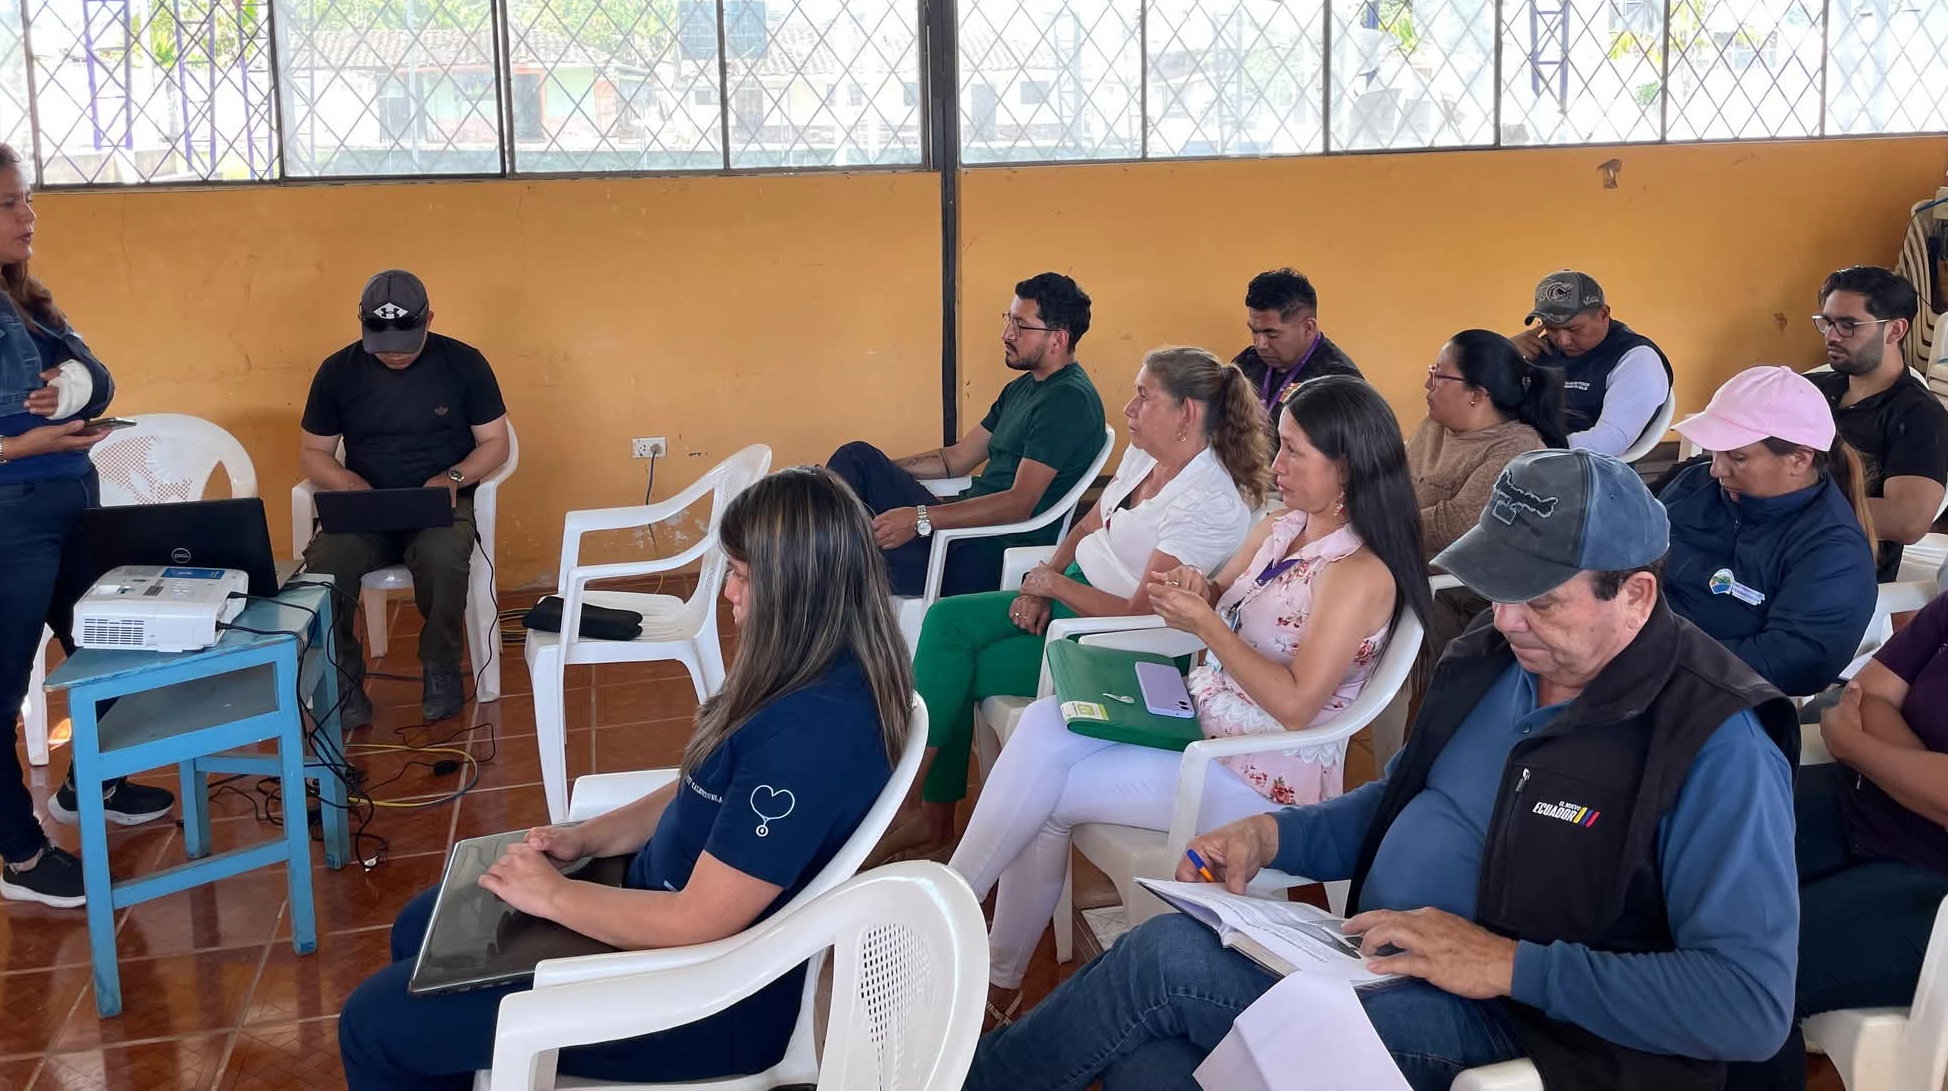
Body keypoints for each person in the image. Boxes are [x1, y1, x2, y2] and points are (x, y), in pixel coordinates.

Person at [964, 449, 1800, 1091]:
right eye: (1499, 591)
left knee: (1162, 968)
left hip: (1529, 1024)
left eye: (1542, 600)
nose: (1508, 620)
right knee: (1150, 1063)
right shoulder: (1492, 656)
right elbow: (1404, 800)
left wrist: (1507, 964)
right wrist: (1275, 835)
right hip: (1374, 955)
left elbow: (1750, 1004)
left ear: (1637, 597)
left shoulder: (1713, 741)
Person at [338, 466, 916, 1091]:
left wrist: (553, 897)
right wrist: (587, 838)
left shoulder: (813, 735)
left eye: (743, 576)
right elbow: (700, 790)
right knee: (419, 926)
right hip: (656, 926)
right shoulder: (806, 673)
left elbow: (700, 921)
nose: (728, 592)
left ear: (798, 590)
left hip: (699, 998)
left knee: (373, 1025)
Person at [950, 375, 1430, 1026]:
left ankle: (974, 951)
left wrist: (1206, 627)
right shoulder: (1283, 527)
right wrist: (1195, 589)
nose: (1276, 467)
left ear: (1345, 468)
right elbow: (1221, 595)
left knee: (1046, 796)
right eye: (1280, 447)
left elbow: (1295, 706)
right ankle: (962, 923)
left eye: (1293, 452)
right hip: (1202, 721)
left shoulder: (1357, 573)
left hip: (1261, 774)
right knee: (1044, 722)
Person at [0, 144, 174, 910]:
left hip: (68, 506)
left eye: (28, 200)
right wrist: (11, 447)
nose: (27, 216)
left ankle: (93, 784)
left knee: (117, 651)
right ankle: (22, 858)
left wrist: (78, 386)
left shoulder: (20, 293)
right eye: (8, 203)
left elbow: (100, 378)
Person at [876, 347, 1270, 863]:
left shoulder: (1209, 500)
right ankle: (920, 813)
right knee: (945, 621)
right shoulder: (1146, 456)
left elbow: (1142, 614)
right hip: (1072, 594)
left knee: (956, 669)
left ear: (1186, 413)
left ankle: (920, 814)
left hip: (1119, 641)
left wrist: (1055, 587)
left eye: (1144, 396)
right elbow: (1086, 525)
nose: (1128, 408)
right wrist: (1043, 583)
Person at [1729, 585, 1948, 1091]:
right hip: (1859, 804)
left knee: (1746, 973)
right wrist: (1924, 778)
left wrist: (1855, 746)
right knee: (1674, 866)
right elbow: (1868, 694)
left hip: (1940, 889)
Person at [300, 269, 509, 727]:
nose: (394, 352)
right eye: (382, 343)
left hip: (439, 505)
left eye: (405, 342)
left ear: (429, 319)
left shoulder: (464, 363)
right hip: (364, 506)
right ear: (361, 321)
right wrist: (348, 483)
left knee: (444, 558)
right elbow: (314, 453)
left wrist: (452, 478)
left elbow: (496, 443)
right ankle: (342, 678)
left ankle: (441, 668)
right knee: (324, 565)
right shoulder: (337, 371)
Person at [827, 273, 1107, 599]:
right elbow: (958, 458)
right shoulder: (1023, 387)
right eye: (1009, 320)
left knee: (836, 559)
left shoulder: (1067, 401)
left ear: (1057, 340)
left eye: (1021, 326)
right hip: (956, 534)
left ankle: (812, 559)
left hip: (982, 554)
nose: (1007, 334)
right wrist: (881, 474)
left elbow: (1018, 504)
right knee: (857, 459)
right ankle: (815, 548)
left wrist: (919, 518)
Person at [1661, 365, 1878, 697]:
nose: (1716, 469)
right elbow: (1626, 550)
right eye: (1715, 449)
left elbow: (1791, 664)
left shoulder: (1833, 553)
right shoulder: (1696, 485)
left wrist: (1654, 658)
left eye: (1737, 457)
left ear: (1799, 459)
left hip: (1711, 697)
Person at [1412, 329, 1569, 658]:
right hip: (1406, 564)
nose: (1428, 384)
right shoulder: (1432, 427)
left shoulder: (1518, 450)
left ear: (1477, 394)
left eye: (1439, 375)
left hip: (1461, 595)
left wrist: (1373, 522)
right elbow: (1390, 485)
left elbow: (1454, 526)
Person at [1808, 264, 1948, 583]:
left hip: (1838, 570)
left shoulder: (1917, 416)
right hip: (1765, 544)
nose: (1832, 336)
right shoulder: (1811, 390)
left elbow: (1907, 521)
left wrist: (1786, 500)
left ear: (1895, 330)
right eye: (1827, 323)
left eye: (1848, 325)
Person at [1509, 270, 1672, 457]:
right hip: (1520, 454)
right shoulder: (1537, 348)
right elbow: (1487, 407)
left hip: (1585, 468)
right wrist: (1505, 355)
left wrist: (1522, 451)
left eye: (1573, 328)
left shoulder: (1637, 359)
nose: (1562, 340)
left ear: (1603, 314)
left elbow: (1608, 442)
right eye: (1551, 328)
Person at [1228, 269, 1363, 432]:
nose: (1260, 344)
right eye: (1254, 331)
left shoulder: (1340, 382)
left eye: (1271, 334)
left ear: (1308, 328)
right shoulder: (1245, 364)